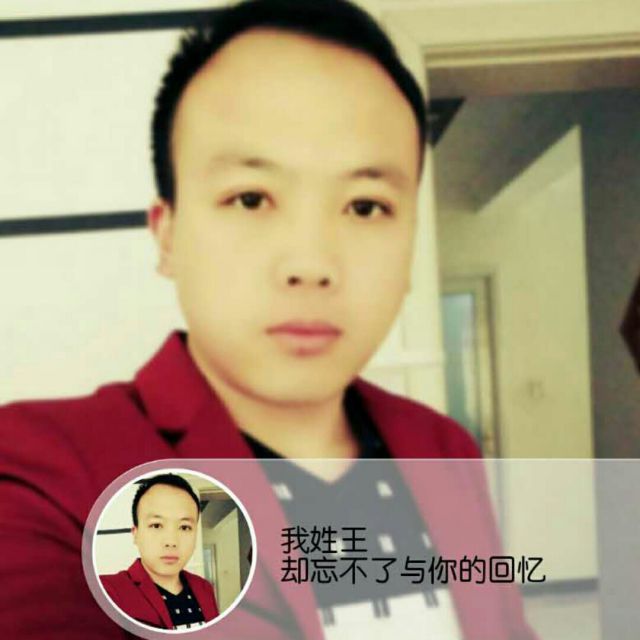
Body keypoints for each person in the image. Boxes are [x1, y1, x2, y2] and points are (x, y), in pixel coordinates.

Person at [0, 1, 536, 638]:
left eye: (366, 206)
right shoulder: (45, 472)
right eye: (250, 198)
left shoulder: (442, 446)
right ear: (167, 235)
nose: (311, 265)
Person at [100, 474, 219, 631]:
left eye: (184, 527)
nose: (171, 541)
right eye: (156, 525)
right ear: (136, 534)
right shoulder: (107, 591)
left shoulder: (204, 587)